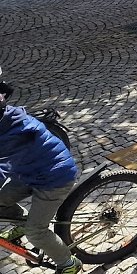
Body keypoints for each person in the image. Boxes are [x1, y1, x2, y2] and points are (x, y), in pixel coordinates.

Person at [0, 69, 82, 274]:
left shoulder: (9, 128)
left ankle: (69, 264)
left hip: (54, 177)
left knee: (35, 233)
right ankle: (21, 221)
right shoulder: (4, 115)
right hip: (29, 172)